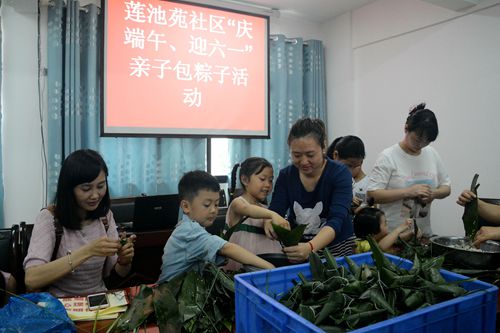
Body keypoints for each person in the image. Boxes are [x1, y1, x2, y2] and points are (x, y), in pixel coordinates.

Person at [23, 149, 135, 297]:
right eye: (86, 188)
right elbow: (31, 279)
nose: (95, 195)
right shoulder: (49, 218)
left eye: (101, 186)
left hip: (99, 301)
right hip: (60, 307)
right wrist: (88, 251)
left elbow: (118, 273)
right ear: (69, 189)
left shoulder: (105, 216)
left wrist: (124, 260)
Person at [158, 170, 274, 283]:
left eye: (217, 204)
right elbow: (227, 248)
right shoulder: (189, 231)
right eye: (207, 205)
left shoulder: (190, 226)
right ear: (186, 206)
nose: (213, 210)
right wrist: (269, 267)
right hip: (171, 296)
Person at [269, 118, 355, 262]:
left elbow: (337, 220)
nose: (303, 161)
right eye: (296, 155)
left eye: (310, 155)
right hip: (298, 248)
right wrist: (270, 221)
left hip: (335, 248)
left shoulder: (339, 173)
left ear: (323, 148)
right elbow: (275, 212)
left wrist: (310, 247)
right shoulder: (286, 176)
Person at [367, 103, 451, 236]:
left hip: (423, 234)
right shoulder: (388, 156)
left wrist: (433, 194)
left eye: (426, 141)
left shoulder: (432, 153)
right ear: (406, 128)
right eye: (417, 139)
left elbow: (446, 188)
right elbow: (372, 195)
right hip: (393, 236)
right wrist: (408, 191)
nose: (421, 144)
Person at [224, 157, 290, 271]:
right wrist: (273, 215)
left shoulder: (267, 209)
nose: (268, 184)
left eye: (270, 180)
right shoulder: (238, 203)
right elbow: (248, 209)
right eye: (262, 179)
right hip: (241, 269)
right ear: (245, 180)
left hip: (268, 269)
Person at [327, 135, 369, 212]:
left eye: (356, 166)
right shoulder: (323, 173)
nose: (350, 171)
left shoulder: (350, 180)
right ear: (335, 155)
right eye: (348, 165)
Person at [353, 206, 417, 253]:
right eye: (385, 223)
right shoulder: (363, 244)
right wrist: (398, 229)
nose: (387, 225)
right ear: (374, 231)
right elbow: (380, 248)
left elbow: (397, 238)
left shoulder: (379, 238)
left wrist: (411, 233)